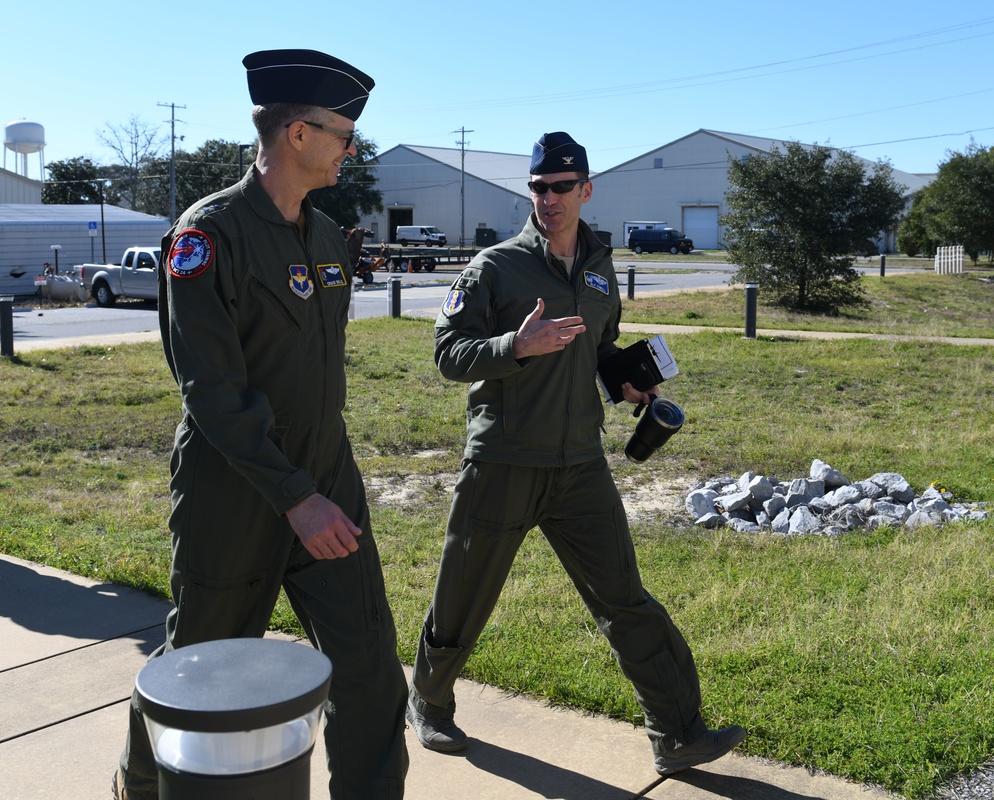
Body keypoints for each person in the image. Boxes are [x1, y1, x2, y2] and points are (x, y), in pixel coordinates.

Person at [112, 49, 408, 800]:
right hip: (235, 492)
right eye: (343, 134)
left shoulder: (322, 235)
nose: (351, 148)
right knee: (197, 674)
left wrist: (319, 489)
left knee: (370, 666)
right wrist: (292, 497)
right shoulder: (207, 235)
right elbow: (212, 392)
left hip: (326, 477)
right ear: (298, 135)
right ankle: (139, 791)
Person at [406, 132, 746, 777]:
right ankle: (427, 700)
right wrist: (515, 346)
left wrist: (623, 375)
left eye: (563, 187)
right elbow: (447, 353)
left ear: (586, 190)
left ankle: (676, 733)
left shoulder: (597, 266)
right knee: (463, 596)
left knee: (625, 597)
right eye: (539, 188)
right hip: (504, 458)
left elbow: (599, 345)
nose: (550, 198)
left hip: (578, 463)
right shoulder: (495, 267)